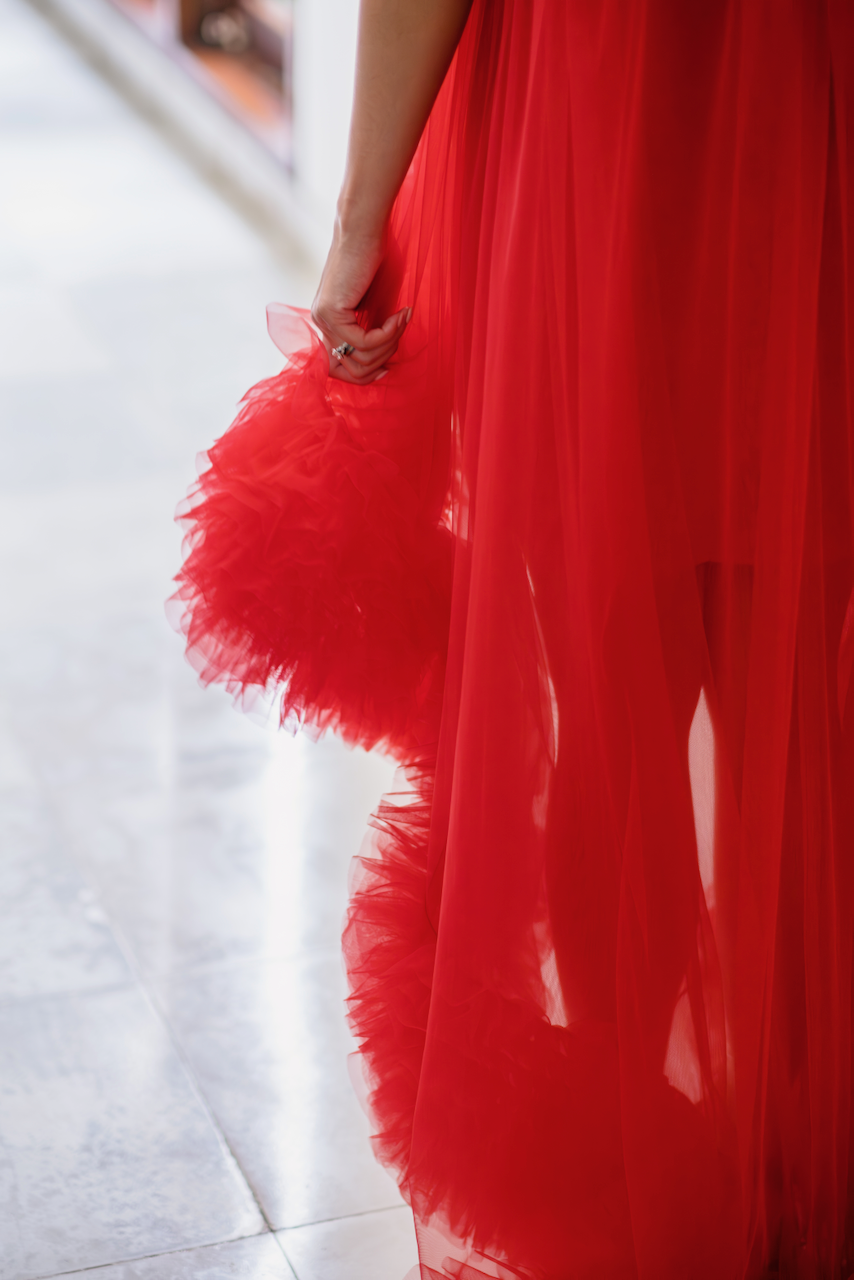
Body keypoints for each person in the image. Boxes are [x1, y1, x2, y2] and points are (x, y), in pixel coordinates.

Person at [172, 1, 854, 1275]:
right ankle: (805, 1187)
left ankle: (629, 1193)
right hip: (803, 116)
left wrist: (357, 217)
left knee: (608, 699)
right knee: (798, 712)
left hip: (593, 127)